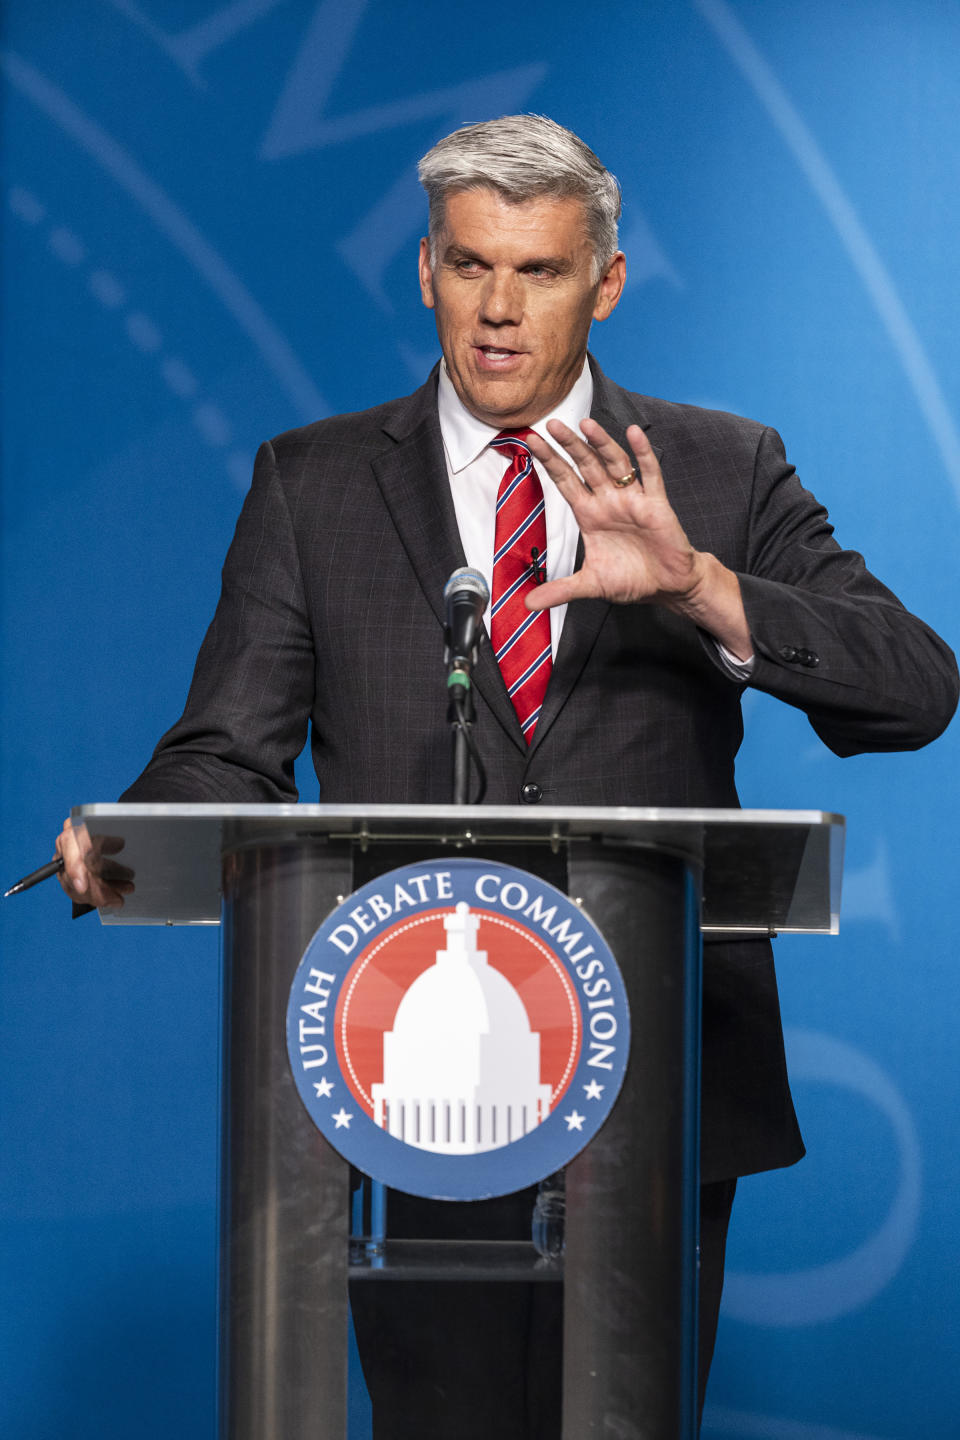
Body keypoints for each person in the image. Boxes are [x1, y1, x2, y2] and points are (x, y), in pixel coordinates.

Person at [55, 115, 958, 1435]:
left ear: (606, 281)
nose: (496, 309)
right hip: (413, 1070)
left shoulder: (722, 467)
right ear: (425, 270)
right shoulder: (312, 485)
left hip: (663, 1075)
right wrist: (133, 834)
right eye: (469, 265)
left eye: (537, 272)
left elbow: (916, 686)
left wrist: (703, 586)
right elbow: (228, 750)